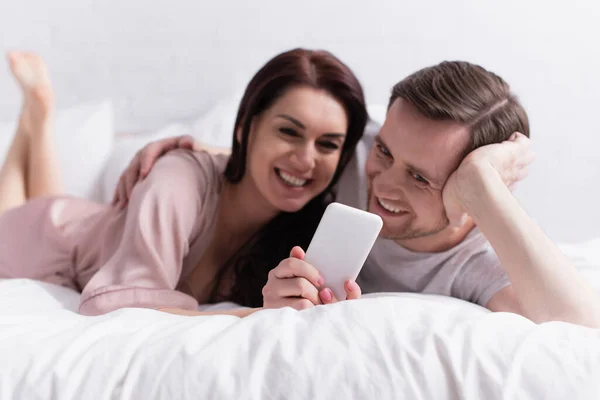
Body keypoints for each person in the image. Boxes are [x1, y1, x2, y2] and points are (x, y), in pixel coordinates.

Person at [122, 61, 600, 327]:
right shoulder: (354, 158)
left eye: (421, 179)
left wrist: (483, 186)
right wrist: (197, 151)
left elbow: (579, 328)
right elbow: (281, 157)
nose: (384, 185)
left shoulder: (476, 262)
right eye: (386, 152)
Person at [0, 48, 368, 317]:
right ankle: (34, 116)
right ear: (244, 129)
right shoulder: (177, 178)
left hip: (82, 225)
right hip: (42, 236)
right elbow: (122, 308)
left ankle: (36, 117)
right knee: (15, 211)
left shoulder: (305, 227)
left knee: (48, 199)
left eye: (328, 144)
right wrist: (256, 316)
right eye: (289, 131)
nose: (306, 159)